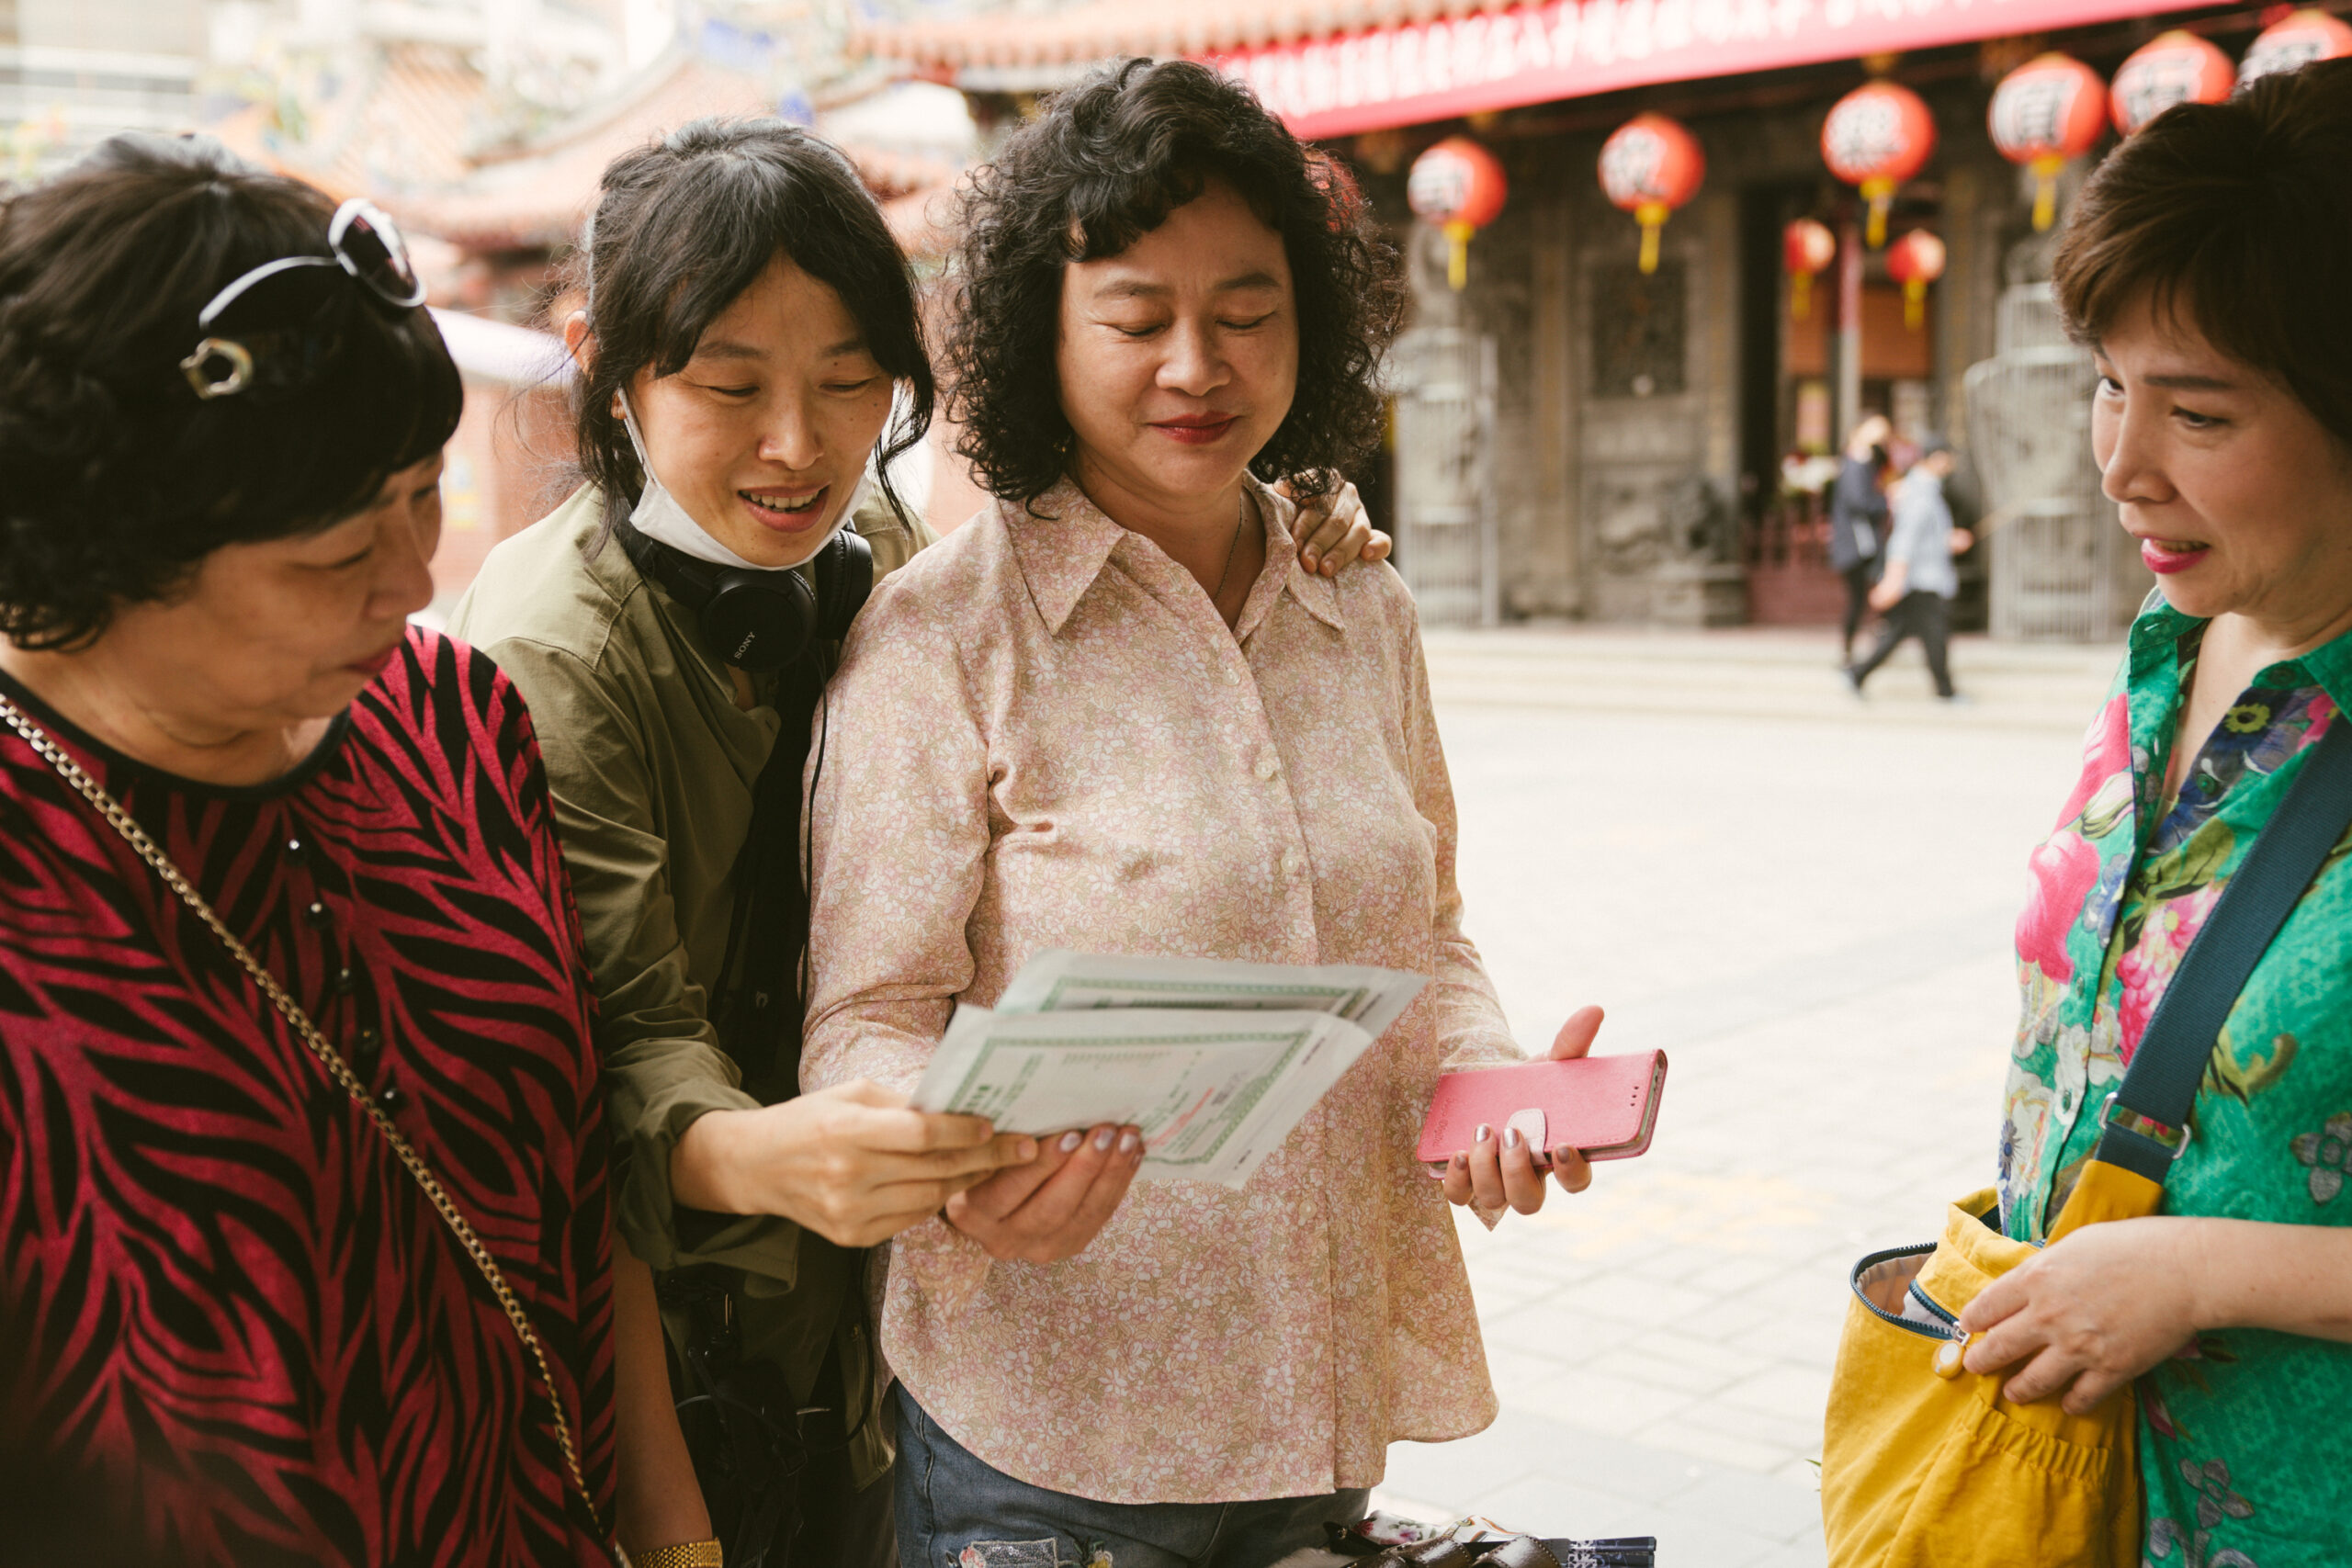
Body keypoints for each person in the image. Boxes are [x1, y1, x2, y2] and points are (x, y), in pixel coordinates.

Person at [446, 118, 1394, 1568]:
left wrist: (1290, 507)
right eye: (731, 385)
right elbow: (606, 1040)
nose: (798, 444)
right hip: (668, 1337)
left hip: (875, 1338)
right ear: (608, 364)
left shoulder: (878, 562)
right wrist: (758, 1155)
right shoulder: (545, 649)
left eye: (848, 385)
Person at [799, 61, 1599, 1568]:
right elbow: (864, 1017)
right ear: (1045, 331)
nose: (1197, 364)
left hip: (1315, 1418)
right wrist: (965, 1181)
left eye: (1245, 312)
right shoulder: (947, 636)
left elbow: (1423, 937)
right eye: (1138, 317)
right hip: (1045, 1465)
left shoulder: (1359, 607)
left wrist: (1488, 1084)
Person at [0, 135, 622, 1563]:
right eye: (333, 559)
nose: (411, 587)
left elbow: (582, 1196)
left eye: (422, 499)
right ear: (106, 544)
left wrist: (672, 1529)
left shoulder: (453, 719)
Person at [1954, 60, 2352, 1565]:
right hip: (2089, 1492)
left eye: (2196, 409)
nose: (2121, 465)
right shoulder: (2170, 647)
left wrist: (2196, 1270)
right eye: (2111, 385)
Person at [1844, 437, 1971, 701]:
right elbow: (1905, 539)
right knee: (1933, 636)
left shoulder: (1924, 490)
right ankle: (1945, 691)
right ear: (1936, 458)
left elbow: (1926, 536)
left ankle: (1858, 673)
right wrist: (1893, 578)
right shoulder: (1920, 492)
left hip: (1924, 577)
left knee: (1902, 632)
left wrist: (1949, 539)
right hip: (1921, 579)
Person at [1828, 413, 1892, 664]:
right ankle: (1849, 651)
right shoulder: (1855, 463)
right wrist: (1886, 501)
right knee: (1859, 599)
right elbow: (1860, 502)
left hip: (1859, 544)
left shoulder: (1865, 461)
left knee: (1863, 598)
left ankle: (1856, 647)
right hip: (1856, 545)